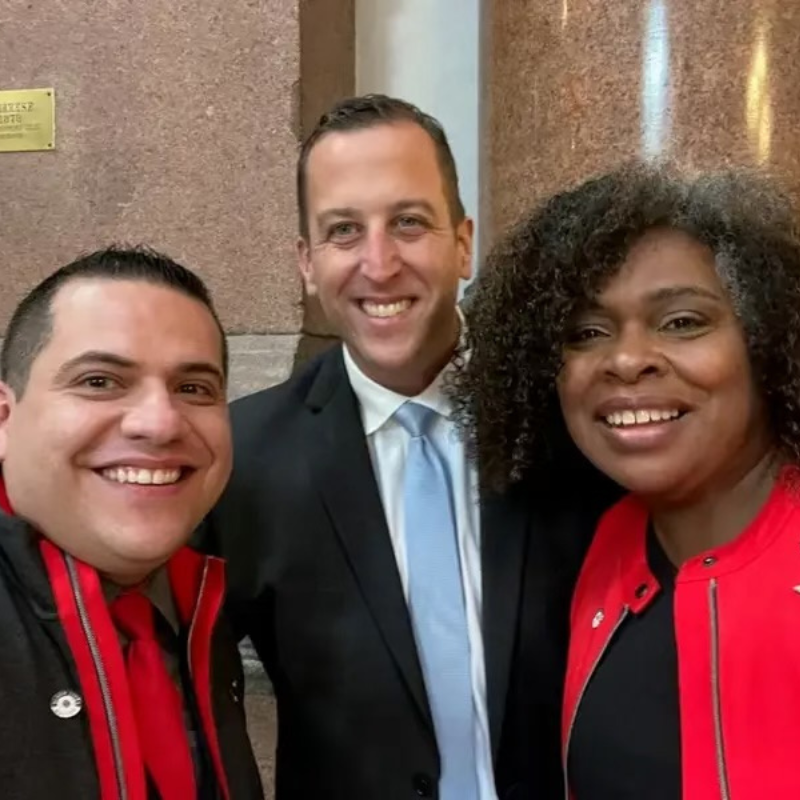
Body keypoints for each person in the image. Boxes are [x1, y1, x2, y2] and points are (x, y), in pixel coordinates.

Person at [198, 94, 613, 800]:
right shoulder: (245, 459)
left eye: (409, 222)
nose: (379, 263)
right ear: (306, 261)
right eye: (344, 231)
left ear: (463, 241)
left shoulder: (572, 422)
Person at [452, 162, 800, 798]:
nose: (627, 359)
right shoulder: (602, 549)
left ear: (767, 340)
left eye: (683, 321)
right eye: (587, 333)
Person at [0, 246, 264, 799]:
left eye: (193, 388)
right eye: (100, 381)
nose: (160, 422)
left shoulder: (198, 607)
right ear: (4, 419)